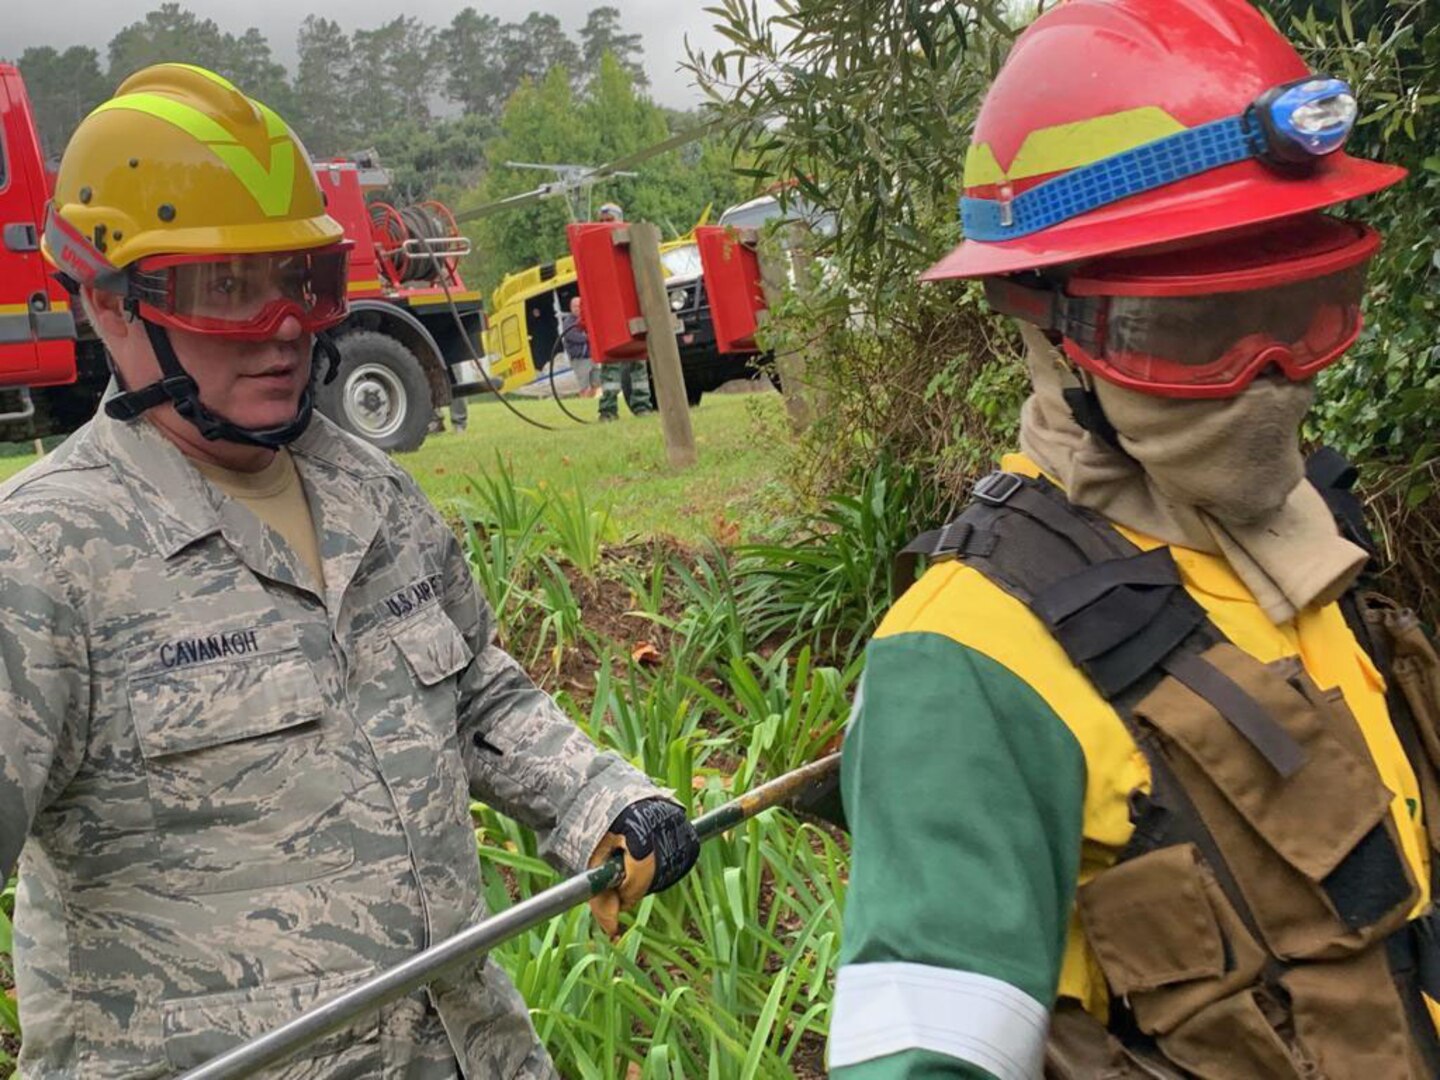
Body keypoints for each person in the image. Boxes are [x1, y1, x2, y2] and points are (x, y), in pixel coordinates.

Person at [0, 63, 698, 1079]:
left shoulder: (372, 494)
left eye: (301, 282)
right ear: (111, 304)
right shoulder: (45, 558)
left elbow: (473, 691)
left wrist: (601, 800)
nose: (282, 325)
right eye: (226, 289)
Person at [830, 2, 1440, 1077]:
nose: (1272, 379)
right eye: (1199, 327)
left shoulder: (1304, 540)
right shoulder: (970, 664)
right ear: (1046, 325)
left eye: (1305, 311)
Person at [561, 295, 600, 397]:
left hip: (592, 356)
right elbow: (572, 336)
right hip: (580, 359)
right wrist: (588, 337)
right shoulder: (568, 321)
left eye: (579, 306)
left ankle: (591, 402)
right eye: (575, 306)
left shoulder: (588, 317)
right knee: (584, 386)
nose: (577, 308)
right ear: (570, 307)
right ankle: (584, 401)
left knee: (596, 383)